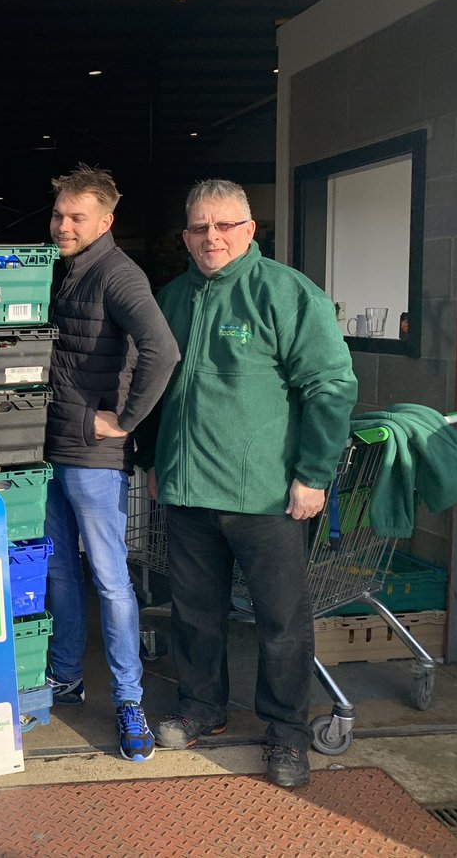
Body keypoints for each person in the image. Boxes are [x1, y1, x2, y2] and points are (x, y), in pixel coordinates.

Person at [138, 179, 357, 788]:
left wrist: (313, 475)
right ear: (185, 236)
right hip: (187, 492)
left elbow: (331, 387)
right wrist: (157, 460)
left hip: (266, 497)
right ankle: (203, 707)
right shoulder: (173, 297)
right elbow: (155, 391)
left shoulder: (284, 293)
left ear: (250, 229)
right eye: (200, 227)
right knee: (194, 613)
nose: (212, 237)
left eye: (225, 225)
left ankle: (287, 734)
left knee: (281, 622)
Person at [43, 164, 179, 762]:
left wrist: (123, 421)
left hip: (94, 458)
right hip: (51, 446)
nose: (64, 225)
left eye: (76, 217)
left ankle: (129, 701)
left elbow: (162, 349)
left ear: (105, 220)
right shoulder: (68, 272)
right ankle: (66, 677)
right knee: (58, 573)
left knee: (109, 580)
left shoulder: (118, 274)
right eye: (59, 215)